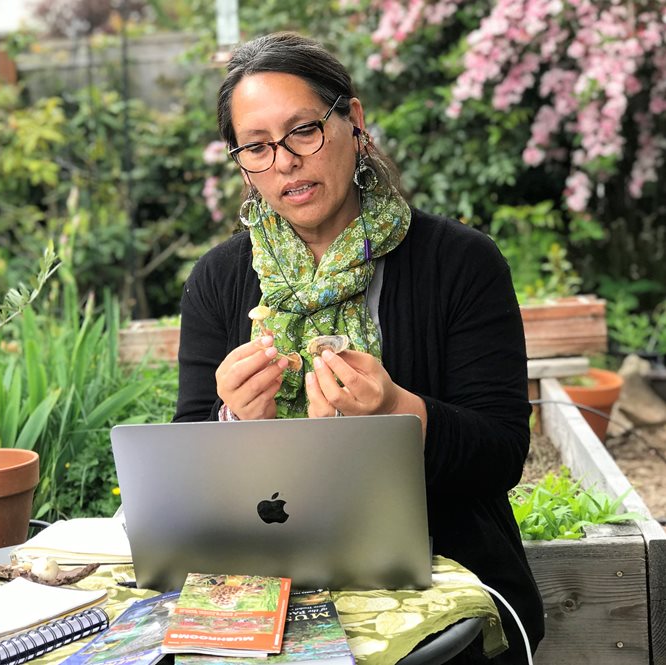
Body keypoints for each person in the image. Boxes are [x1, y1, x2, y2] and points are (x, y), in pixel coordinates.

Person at [174, 32, 544, 663]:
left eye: (303, 131)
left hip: (440, 579)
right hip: (272, 587)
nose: (285, 162)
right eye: (257, 147)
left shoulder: (461, 263)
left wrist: (400, 412)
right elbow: (184, 472)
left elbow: (502, 454)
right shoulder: (219, 280)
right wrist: (236, 422)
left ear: (353, 121)